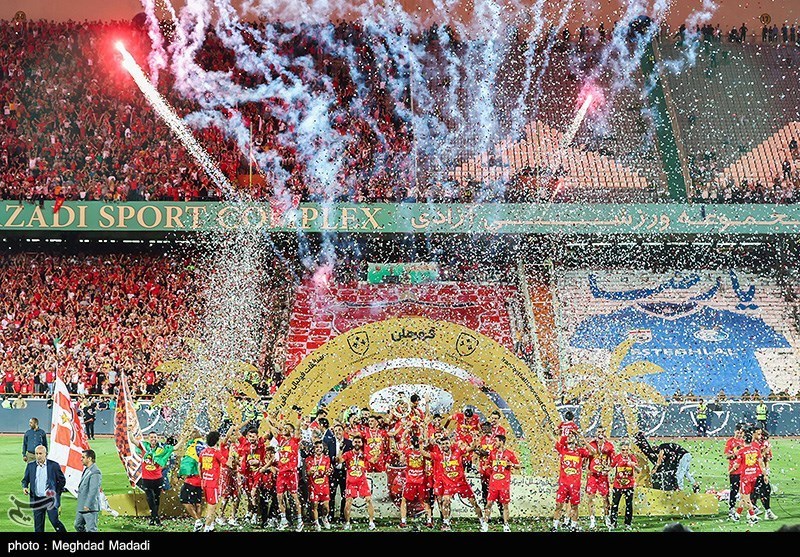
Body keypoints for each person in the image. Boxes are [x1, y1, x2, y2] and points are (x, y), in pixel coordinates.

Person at [429, 434, 486, 531]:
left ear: (450, 443)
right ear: (440, 446)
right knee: (445, 501)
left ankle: (482, 521)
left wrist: (474, 440)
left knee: (473, 502)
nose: (445, 445)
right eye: (443, 444)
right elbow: (424, 453)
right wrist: (421, 443)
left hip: (461, 483)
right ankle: (446, 523)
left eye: (446, 443)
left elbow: (471, 448)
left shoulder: (457, 451)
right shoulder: (439, 456)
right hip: (449, 484)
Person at [266, 415, 305, 531]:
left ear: (291, 431)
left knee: (294, 496)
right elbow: (272, 428)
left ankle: (300, 521)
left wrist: (298, 416)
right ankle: (283, 520)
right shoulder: (281, 440)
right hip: (281, 473)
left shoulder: (295, 440)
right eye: (284, 427)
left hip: (291, 473)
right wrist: (266, 416)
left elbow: (297, 427)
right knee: (279, 497)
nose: (285, 429)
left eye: (288, 428)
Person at [553, 430, 596, 531]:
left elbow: (593, 452)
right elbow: (551, 438)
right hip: (563, 484)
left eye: (572, 437)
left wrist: (582, 438)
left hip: (575, 485)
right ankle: (554, 527)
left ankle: (573, 526)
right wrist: (546, 427)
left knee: (574, 506)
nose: (570, 438)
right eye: (569, 437)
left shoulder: (580, 451)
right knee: (559, 505)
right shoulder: (562, 449)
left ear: (576, 440)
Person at [21, 445, 67, 532]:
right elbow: (25, 480)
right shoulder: (31, 466)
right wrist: (25, 487)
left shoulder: (54, 465)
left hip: (50, 500)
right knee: (38, 527)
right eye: (36, 454)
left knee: (55, 522)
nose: (38, 456)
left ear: (46, 454)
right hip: (37, 500)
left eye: (40, 453)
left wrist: (56, 493)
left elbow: (62, 481)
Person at [480, 434, 520, 532]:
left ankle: (506, 525)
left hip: (504, 484)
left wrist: (511, 464)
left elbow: (518, 466)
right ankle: (485, 524)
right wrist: (485, 468)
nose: (494, 443)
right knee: (489, 504)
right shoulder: (492, 453)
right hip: (493, 483)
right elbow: (488, 464)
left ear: (501, 442)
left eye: (496, 441)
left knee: (505, 505)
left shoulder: (510, 454)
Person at [337, 434, 376, 530]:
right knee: (348, 502)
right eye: (355, 442)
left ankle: (371, 522)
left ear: (362, 443)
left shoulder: (364, 454)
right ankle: (347, 522)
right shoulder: (348, 454)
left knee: (368, 500)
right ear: (352, 443)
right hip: (351, 482)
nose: (357, 443)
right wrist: (340, 449)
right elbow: (339, 460)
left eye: (359, 442)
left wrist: (375, 450)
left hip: (362, 481)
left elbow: (374, 461)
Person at [396, 433, 433, 529]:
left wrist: (401, 452)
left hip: (412, 481)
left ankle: (403, 521)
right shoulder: (422, 452)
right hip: (420, 481)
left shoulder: (408, 451)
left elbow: (401, 461)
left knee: (404, 500)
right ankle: (429, 521)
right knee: (425, 501)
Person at [137, 431, 174, 526]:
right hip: (146, 479)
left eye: (155, 437)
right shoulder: (144, 447)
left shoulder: (161, 449)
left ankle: (153, 518)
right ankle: (156, 518)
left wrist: (183, 439)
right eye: (151, 437)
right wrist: (129, 431)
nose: (153, 439)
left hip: (158, 478)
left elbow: (174, 448)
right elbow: (133, 441)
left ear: (157, 438)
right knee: (150, 499)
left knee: (157, 499)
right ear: (148, 438)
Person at [732, 428, 767, 525]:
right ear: (751, 440)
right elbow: (761, 463)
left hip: (745, 478)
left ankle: (753, 516)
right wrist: (765, 475)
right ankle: (737, 515)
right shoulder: (756, 450)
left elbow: (737, 465)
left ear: (744, 440)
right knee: (744, 496)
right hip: (754, 476)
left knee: (746, 498)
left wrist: (730, 471)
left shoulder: (742, 451)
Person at [585, 426, 615, 530]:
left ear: (604, 433)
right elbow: (585, 459)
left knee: (606, 498)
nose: (600, 433)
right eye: (598, 432)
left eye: (602, 432)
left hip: (603, 476)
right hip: (592, 476)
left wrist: (608, 469)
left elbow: (613, 461)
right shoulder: (591, 444)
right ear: (595, 433)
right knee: (590, 498)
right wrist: (586, 469)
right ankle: (592, 521)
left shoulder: (609, 445)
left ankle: (607, 519)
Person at [199, 430, 228, 532]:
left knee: (209, 505)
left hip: (205, 482)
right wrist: (232, 454)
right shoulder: (216, 453)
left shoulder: (203, 452)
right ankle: (206, 529)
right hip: (213, 484)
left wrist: (202, 479)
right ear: (217, 440)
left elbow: (199, 466)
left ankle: (211, 526)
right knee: (211, 508)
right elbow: (227, 463)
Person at [608, 439, 641, 530]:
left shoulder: (632, 458)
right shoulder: (617, 457)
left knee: (629, 505)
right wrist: (604, 470)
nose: (625, 452)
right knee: (615, 504)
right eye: (623, 450)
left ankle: (628, 524)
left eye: (626, 450)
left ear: (629, 450)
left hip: (629, 485)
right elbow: (610, 468)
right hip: (617, 485)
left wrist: (633, 465)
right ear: (620, 450)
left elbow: (639, 471)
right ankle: (613, 523)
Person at [178, 433, 206, 532]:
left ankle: (197, 520)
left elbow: (186, 465)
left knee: (184, 500)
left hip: (191, 481)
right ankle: (198, 525)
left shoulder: (192, 447)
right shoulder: (204, 447)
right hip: (201, 481)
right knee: (198, 503)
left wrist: (181, 473)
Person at [324, 422, 351, 523]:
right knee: (331, 494)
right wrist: (330, 464)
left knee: (345, 495)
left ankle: (343, 516)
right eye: (335, 431)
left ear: (343, 431)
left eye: (339, 430)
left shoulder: (349, 443)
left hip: (345, 472)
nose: (337, 432)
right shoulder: (329, 442)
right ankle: (330, 516)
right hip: (333, 472)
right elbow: (326, 456)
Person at [751, 427, 778, 520]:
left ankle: (766, 511)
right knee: (754, 491)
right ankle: (752, 511)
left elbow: (766, 459)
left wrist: (766, 471)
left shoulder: (763, 444)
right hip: (752, 472)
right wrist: (766, 450)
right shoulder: (751, 444)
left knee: (765, 490)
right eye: (759, 434)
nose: (761, 437)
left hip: (761, 471)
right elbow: (756, 458)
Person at [305, 440, 332, 531]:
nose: (318, 449)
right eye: (317, 447)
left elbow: (328, 471)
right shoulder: (309, 459)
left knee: (326, 507)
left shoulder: (326, 458)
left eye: (320, 447)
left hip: (324, 486)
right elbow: (307, 473)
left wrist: (328, 472)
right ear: (314, 449)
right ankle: (316, 522)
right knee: (314, 505)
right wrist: (311, 471)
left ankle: (324, 517)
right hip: (313, 485)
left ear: (323, 449)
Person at [74, 449, 102, 532]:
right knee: (77, 525)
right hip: (82, 505)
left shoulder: (95, 472)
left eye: (83, 457)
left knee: (91, 529)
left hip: (89, 507)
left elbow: (93, 490)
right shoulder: (87, 469)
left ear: (89, 458)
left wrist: (88, 504)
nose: (81, 459)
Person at [724, 423, 747, 521]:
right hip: (734, 471)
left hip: (744, 471)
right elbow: (727, 456)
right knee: (734, 490)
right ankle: (732, 508)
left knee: (746, 491)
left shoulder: (744, 441)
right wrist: (735, 454)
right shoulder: (730, 442)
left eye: (741, 433)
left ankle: (751, 507)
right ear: (734, 431)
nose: (739, 434)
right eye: (738, 432)